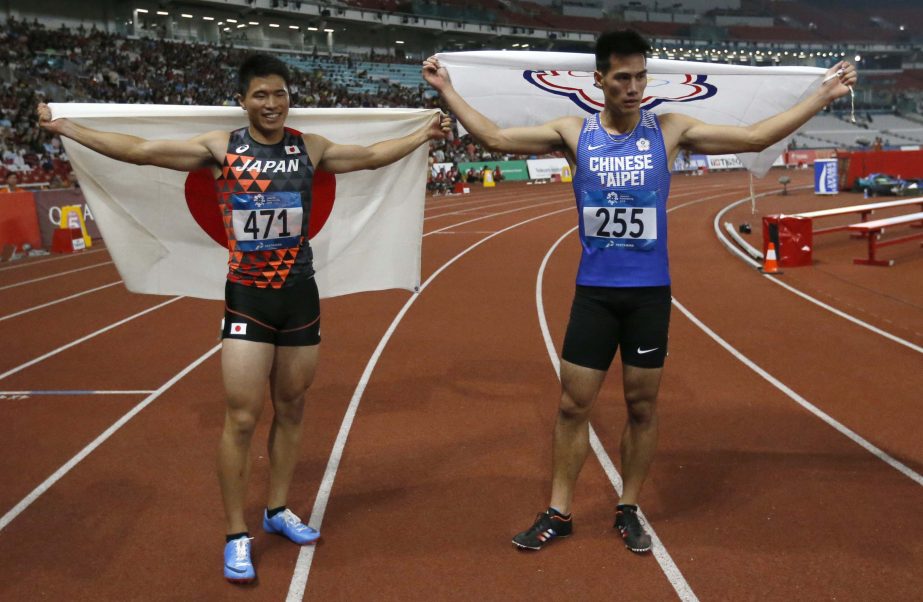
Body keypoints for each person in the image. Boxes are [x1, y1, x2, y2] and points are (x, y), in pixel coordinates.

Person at [423, 29, 856, 554]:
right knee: (571, 406)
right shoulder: (572, 131)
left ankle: (628, 507)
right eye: (623, 77)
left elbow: (755, 137)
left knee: (642, 406)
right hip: (595, 294)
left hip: (649, 295)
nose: (634, 87)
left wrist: (821, 96)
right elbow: (494, 138)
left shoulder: (669, 129)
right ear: (599, 79)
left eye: (641, 77)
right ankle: (558, 511)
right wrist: (447, 89)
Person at [38, 53, 451, 583]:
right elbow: (139, 151)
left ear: (288, 98)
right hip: (247, 299)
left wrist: (421, 136)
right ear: (242, 100)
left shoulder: (310, 146)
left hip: (300, 295)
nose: (272, 103)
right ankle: (236, 534)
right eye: (261, 95)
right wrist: (64, 126)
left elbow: (370, 157)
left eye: (279, 94)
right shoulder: (222, 147)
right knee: (240, 416)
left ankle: (276, 511)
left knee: (294, 406)